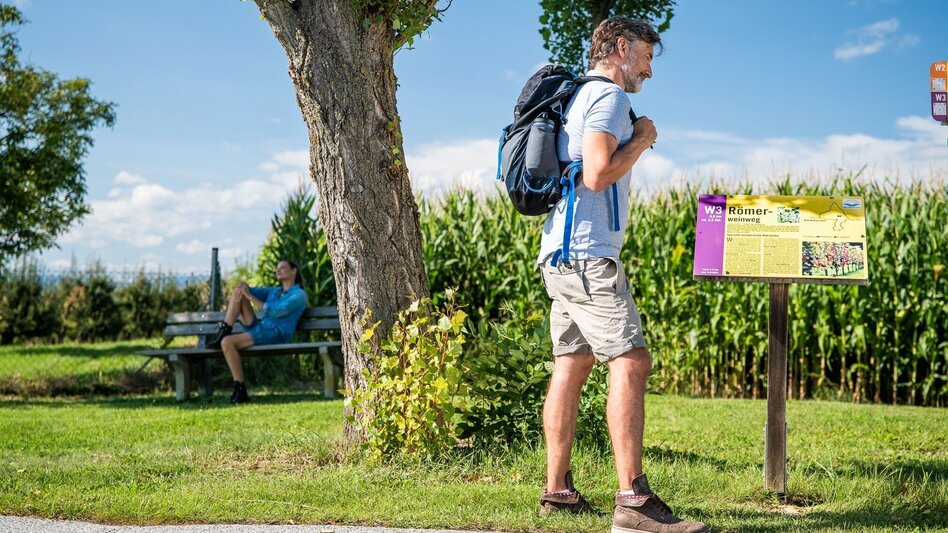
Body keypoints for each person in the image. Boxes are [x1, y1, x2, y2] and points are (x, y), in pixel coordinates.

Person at [536, 17, 707, 533]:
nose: (649, 71)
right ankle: (634, 502)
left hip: (561, 253)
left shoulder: (580, 97)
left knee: (572, 363)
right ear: (619, 48)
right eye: (646, 57)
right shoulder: (608, 97)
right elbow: (596, 173)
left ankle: (558, 491)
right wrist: (644, 139)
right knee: (631, 360)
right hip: (588, 257)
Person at [207, 260, 308, 404]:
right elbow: (248, 291)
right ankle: (225, 329)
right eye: (277, 269)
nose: (278, 271)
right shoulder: (275, 291)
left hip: (276, 333)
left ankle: (240, 388)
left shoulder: (298, 295)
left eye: (283, 267)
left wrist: (250, 296)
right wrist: (243, 287)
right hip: (262, 329)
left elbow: (275, 312)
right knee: (239, 291)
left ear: (294, 271)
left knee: (227, 342)